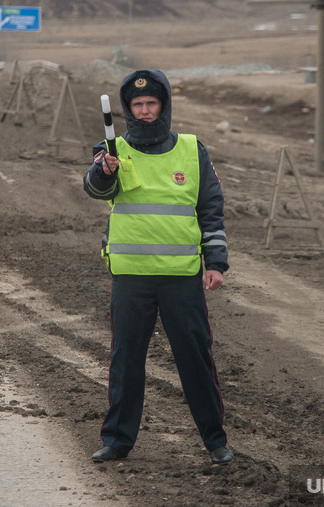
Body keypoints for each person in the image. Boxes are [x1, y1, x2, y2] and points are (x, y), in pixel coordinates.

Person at [83, 69, 233, 466]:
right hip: (131, 278)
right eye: (138, 105)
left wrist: (215, 262)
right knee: (126, 362)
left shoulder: (191, 149)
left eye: (152, 104)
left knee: (196, 361)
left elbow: (211, 210)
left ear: (163, 107)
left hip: (181, 278)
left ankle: (216, 441)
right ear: (128, 110)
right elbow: (97, 188)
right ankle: (117, 442)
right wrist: (104, 170)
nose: (145, 111)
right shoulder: (112, 148)